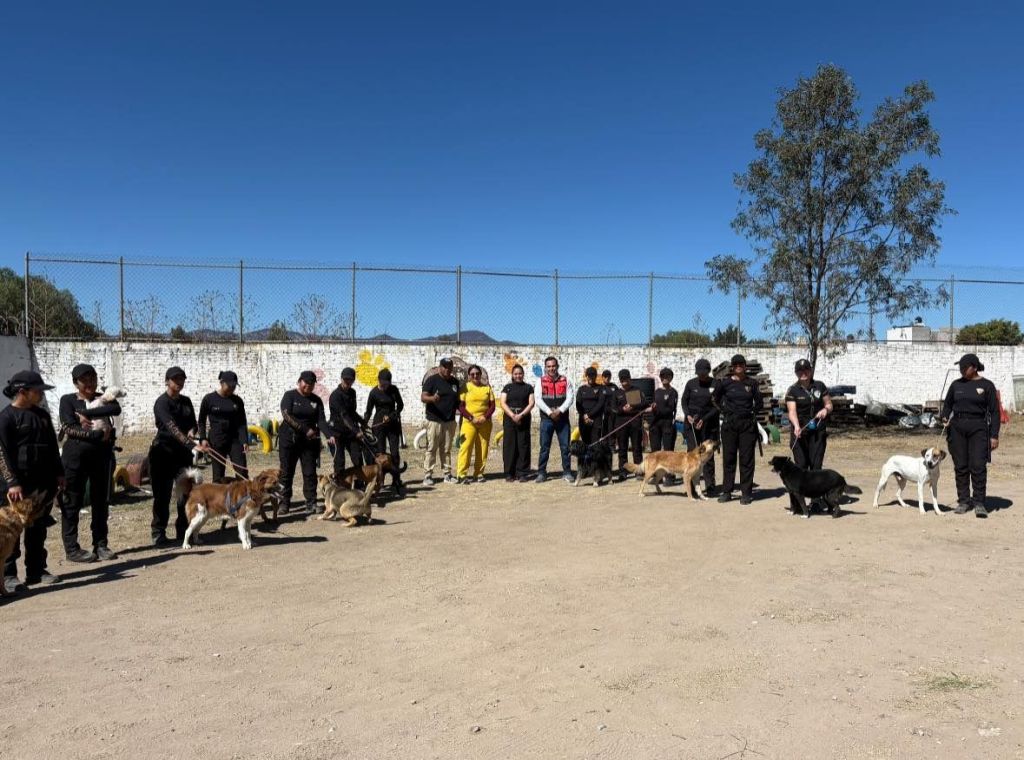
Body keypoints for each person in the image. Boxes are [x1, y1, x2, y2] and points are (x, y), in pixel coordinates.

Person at [0, 370, 64, 593]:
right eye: (37, 391)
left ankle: (36, 570)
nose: (41, 394)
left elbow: (53, 448)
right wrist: (12, 482)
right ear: (22, 391)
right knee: (10, 531)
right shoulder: (6, 417)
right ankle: (9, 575)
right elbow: (2, 454)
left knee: (38, 529)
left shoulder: (42, 415)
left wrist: (59, 473)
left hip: (42, 483)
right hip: (16, 486)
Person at [58, 363, 121, 563]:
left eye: (92, 378)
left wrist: (87, 415)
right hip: (74, 460)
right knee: (72, 502)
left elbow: (116, 408)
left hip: (101, 458)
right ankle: (72, 548)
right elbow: (69, 427)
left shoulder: (102, 398)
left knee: (100, 501)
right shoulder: (67, 401)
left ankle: (101, 544)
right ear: (76, 383)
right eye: (84, 380)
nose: (90, 383)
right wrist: (96, 434)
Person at [149, 366, 208, 546]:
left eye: (182, 379)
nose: (179, 383)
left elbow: (193, 424)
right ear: (167, 381)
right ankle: (158, 532)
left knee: (186, 494)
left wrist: (192, 431)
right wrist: (192, 444)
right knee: (163, 495)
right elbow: (172, 428)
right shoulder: (161, 403)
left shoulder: (186, 401)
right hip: (163, 452)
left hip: (181, 454)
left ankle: (183, 530)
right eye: (175, 379)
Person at [942, 353, 1000, 518]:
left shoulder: (987, 385)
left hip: (979, 429)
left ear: (974, 367)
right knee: (960, 466)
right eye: (959, 367)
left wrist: (994, 436)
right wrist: (945, 417)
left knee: (978, 466)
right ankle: (963, 501)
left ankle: (979, 503)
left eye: (964, 367)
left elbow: (995, 412)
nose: (961, 370)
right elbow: (947, 405)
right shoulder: (956, 385)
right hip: (957, 429)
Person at [278, 370, 333, 515]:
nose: (308, 386)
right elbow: (286, 415)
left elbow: (321, 420)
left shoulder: (316, 400)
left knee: (309, 472)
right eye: (306, 383)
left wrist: (329, 434)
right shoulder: (289, 396)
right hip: (289, 440)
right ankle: (284, 503)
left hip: (308, 443)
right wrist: (304, 429)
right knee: (286, 472)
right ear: (300, 382)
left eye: (312, 384)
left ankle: (311, 503)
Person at [713, 355, 762, 505]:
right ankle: (727, 491)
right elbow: (714, 399)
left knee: (747, 459)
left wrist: (751, 414)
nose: (739, 366)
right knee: (729, 458)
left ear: (745, 366)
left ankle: (746, 493)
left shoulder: (752, 383)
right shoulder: (725, 383)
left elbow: (759, 402)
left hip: (747, 425)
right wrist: (724, 411)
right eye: (736, 364)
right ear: (732, 367)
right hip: (730, 425)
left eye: (741, 364)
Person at [197, 371, 249, 483]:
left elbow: (242, 422)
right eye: (230, 385)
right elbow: (201, 421)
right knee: (218, 475)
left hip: (235, 440)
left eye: (234, 386)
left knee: (242, 472)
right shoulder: (209, 399)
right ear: (222, 383)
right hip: (217, 440)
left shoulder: (237, 401)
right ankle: (218, 499)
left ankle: (243, 499)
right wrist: (203, 438)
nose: (232, 388)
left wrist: (244, 441)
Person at [785, 359, 832, 471]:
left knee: (816, 465)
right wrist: (796, 426)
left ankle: (816, 488)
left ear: (810, 371)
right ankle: (803, 488)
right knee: (801, 464)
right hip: (800, 430)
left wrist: (825, 409)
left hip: (817, 430)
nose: (803, 373)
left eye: (806, 369)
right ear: (796, 373)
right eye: (800, 370)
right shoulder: (793, 390)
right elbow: (792, 412)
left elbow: (829, 404)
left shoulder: (819, 386)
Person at [364, 368, 405, 496]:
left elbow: (400, 406)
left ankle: (396, 479)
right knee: (380, 454)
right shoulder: (374, 393)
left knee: (394, 453)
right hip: (379, 425)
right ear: (379, 381)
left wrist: (392, 416)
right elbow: (369, 410)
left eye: (387, 384)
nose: (385, 386)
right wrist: (364, 423)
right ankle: (379, 481)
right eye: (383, 384)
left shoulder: (394, 390)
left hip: (392, 424)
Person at [534, 356, 575, 483]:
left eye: (553, 366)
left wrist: (559, 410)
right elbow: (538, 399)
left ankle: (567, 472)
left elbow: (570, 398)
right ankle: (541, 472)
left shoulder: (565, 380)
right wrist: (549, 412)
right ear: (545, 367)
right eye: (549, 366)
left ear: (557, 366)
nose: (551, 368)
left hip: (562, 419)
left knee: (565, 447)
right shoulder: (540, 381)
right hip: (547, 419)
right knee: (544, 447)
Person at [682, 358, 719, 496]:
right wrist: (687, 415)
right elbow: (684, 401)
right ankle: (691, 487)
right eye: (699, 373)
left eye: (704, 373)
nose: (701, 376)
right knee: (692, 454)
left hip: (708, 423)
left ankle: (710, 486)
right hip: (692, 423)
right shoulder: (691, 384)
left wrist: (704, 419)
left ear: (709, 371)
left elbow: (717, 406)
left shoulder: (716, 384)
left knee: (708, 454)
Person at [421, 358, 460, 486]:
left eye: (450, 367)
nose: (447, 369)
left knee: (446, 449)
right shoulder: (432, 380)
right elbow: (423, 397)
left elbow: (458, 401)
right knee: (432, 448)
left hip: (449, 421)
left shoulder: (455, 382)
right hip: (434, 420)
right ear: (440, 367)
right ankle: (428, 475)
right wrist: (432, 398)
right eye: (445, 366)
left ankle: (447, 474)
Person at [456, 365, 496, 484]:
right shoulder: (465, 387)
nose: (475, 376)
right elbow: (461, 406)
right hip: (469, 422)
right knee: (465, 447)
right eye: (472, 374)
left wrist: (485, 417)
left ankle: (479, 473)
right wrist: (471, 417)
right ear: (469, 376)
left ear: (480, 374)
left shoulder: (487, 388)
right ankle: (461, 474)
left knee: (482, 449)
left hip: (485, 423)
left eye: (477, 373)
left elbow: (492, 405)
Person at [500, 364, 535, 482]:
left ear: (523, 374)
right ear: (512, 375)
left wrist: (521, 415)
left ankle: (522, 473)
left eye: (520, 373)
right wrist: (512, 415)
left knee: (523, 445)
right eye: (516, 374)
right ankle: (509, 473)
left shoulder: (528, 388)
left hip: (523, 419)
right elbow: (503, 402)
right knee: (509, 446)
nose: (518, 375)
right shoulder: (507, 387)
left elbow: (531, 403)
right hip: (509, 419)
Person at [612, 369, 649, 480]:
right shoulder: (616, 393)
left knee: (637, 448)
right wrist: (622, 409)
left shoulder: (636, 390)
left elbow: (645, 404)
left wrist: (633, 406)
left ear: (629, 378)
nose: (624, 381)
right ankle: (623, 471)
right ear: (620, 380)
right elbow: (613, 409)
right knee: (622, 449)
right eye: (622, 379)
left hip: (635, 423)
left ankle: (639, 471)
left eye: (626, 378)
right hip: (621, 425)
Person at [329, 367, 366, 476]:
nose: (348, 382)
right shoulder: (335, 396)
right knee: (339, 462)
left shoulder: (352, 393)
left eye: (350, 380)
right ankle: (339, 487)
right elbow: (344, 415)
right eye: (345, 379)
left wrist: (362, 422)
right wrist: (357, 431)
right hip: (337, 432)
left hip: (350, 432)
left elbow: (352, 412)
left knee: (358, 458)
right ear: (341, 379)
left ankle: (360, 485)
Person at [650, 368, 678, 453]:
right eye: (662, 376)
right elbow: (652, 406)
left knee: (668, 451)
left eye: (667, 376)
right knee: (655, 451)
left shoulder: (673, 392)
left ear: (671, 378)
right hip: (655, 423)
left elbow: (670, 409)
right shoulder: (656, 392)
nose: (664, 378)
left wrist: (656, 409)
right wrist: (652, 408)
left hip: (667, 423)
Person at [575, 367, 606, 445]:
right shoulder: (581, 389)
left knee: (595, 444)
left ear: (595, 376)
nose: (591, 377)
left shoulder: (601, 388)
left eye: (593, 375)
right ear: (586, 376)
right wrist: (584, 416)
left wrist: (589, 415)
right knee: (585, 443)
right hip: (583, 420)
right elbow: (578, 404)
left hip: (596, 420)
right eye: (589, 375)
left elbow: (600, 404)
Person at [599, 369, 618, 446]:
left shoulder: (614, 386)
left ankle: (612, 445)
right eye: (605, 377)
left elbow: (619, 396)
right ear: (602, 377)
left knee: (612, 429)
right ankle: (604, 444)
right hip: (603, 412)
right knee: (603, 429)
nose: (607, 378)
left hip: (612, 412)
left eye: (609, 377)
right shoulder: (600, 387)